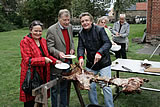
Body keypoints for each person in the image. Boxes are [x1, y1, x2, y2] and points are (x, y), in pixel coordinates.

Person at [19, 20, 61, 107]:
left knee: (41, 98)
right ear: (31, 30)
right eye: (35, 31)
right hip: (31, 75)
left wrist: (55, 61)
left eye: (40, 31)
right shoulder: (25, 42)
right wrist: (43, 60)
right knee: (30, 99)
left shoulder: (43, 41)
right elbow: (28, 60)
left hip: (43, 74)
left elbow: (47, 55)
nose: (38, 33)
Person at [77, 12, 114, 107]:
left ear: (91, 21)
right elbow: (80, 47)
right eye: (82, 21)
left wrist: (99, 52)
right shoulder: (81, 33)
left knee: (105, 85)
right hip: (91, 64)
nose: (85, 23)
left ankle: (109, 105)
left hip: (104, 63)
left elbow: (107, 43)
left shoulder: (100, 29)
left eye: (86, 20)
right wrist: (81, 57)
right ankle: (94, 105)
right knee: (90, 86)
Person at [46, 9, 75, 107]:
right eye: (64, 20)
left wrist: (72, 49)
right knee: (55, 89)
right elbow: (49, 47)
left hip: (68, 62)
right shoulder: (51, 30)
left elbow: (71, 41)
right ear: (59, 19)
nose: (67, 22)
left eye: (68, 20)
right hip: (57, 64)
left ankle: (64, 105)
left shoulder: (70, 27)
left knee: (65, 87)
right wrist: (58, 53)